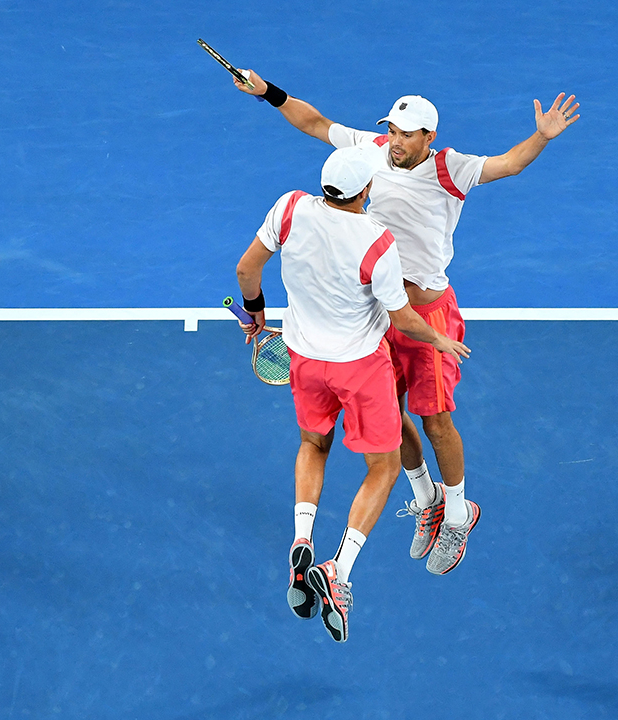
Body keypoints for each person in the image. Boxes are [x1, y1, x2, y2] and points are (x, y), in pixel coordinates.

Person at [231, 69, 580, 575]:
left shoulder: (450, 168)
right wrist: (269, 93)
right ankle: (426, 499)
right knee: (389, 423)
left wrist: (540, 138)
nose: (394, 141)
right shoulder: (369, 152)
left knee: (436, 421)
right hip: (378, 313)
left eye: (405, 134)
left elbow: (508, 165)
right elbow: (314, 123)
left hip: (426, 313)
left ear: (428, 138)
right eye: (391, 131)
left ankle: (459, 513)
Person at [235, 146, 469, 642]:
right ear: (366, 192)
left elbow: (245, 271)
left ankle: (301, 539)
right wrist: (439, 338)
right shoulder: (375, 241)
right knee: (382, 467)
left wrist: (255, 312)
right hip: (358, 368)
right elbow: (403, 317)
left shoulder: (290, 208)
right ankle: (338, 572)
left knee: (312, 446)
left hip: (303, 359)